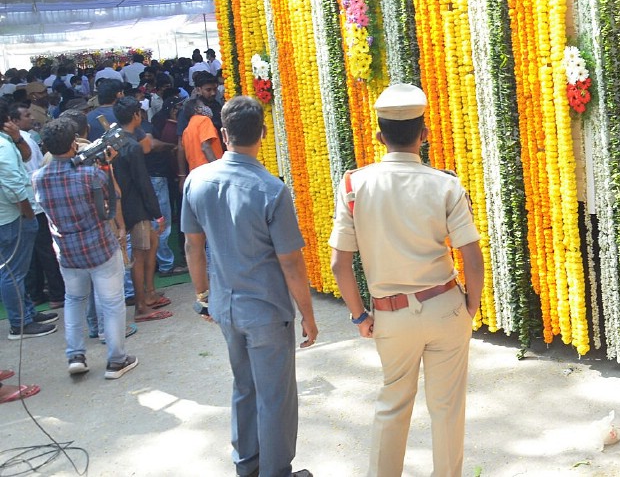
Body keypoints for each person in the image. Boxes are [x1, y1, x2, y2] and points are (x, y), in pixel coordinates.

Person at [329, 83, 484, 477]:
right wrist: (470, 306)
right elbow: (471, 254)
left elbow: (339, 264)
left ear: (379, 136)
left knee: (392, 404)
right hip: (445, 306)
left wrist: (359, 317)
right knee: (447, 408)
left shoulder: (353, 186)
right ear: (425, 134)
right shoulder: (445, 184)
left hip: (390, 315)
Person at [181, 95, 317, 477]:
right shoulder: (271, 189)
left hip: (226, 306)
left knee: (244, 387)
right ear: (263, 134)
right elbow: (290, 261)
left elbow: (193, 244)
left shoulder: (197, 180)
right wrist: (307, 314)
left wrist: (203, 296)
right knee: (275, 396)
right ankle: (275, 471)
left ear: (223, 134)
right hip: (267, 311)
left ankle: (248, 465)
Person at [32, 118, 139, 379]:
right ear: (73, 143)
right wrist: (105, 165)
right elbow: (109, 199)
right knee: (112, 303)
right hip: (99, 246)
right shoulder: (90, 174)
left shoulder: (39, 177)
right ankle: (116, 360)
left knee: (74, 301)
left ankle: (75, 355)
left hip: (67, 251)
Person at [111, 98, 171, 323]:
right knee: (140, 254)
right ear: (137, 115)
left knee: (151, 243)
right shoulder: (131, 146)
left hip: (129, 204)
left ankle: (149, 293)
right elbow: (143, 182)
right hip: (135, 207)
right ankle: (141, 306)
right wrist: (157, 213)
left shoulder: (118, 139)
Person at [0, 99, 56, 340]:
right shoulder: (1, 147)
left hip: (13, 216)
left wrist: (17, 138)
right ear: (7, 121)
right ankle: (20, 323)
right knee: (12, 273)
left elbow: (25, 156)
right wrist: (28, 212)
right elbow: (12, 186)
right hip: (12, 217)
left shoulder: (9, 142)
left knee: (16, 272)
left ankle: (28, 315)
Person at [12, 104, 65, 309]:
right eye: (26, 115)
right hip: (31, 203)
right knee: (44, 251)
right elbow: (33, 169)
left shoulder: (25, 139)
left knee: (33, 253)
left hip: (27, 203)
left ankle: (37, 294)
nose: (31, 117)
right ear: (13, 122)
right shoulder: (23, 140)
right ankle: (55, 294)